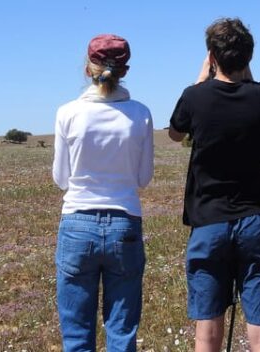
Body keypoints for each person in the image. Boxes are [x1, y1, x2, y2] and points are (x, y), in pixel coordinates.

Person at [168, 18, 260, 352]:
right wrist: (248, 78)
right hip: (256, 220)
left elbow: (176, 134)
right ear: (248, 57)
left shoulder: (195, 97)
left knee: (207, 328)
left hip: (209, 221)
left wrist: (199, 81)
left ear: (212, 56)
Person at [52, 34, 154, 352]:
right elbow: (143, 178)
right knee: (122, 332)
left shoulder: (67, 113)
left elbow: (61, 179)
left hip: (76, 225)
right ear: (125, 70)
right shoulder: (141, 114)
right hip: (125, 222)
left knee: (77, 333)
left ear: (88, 68)